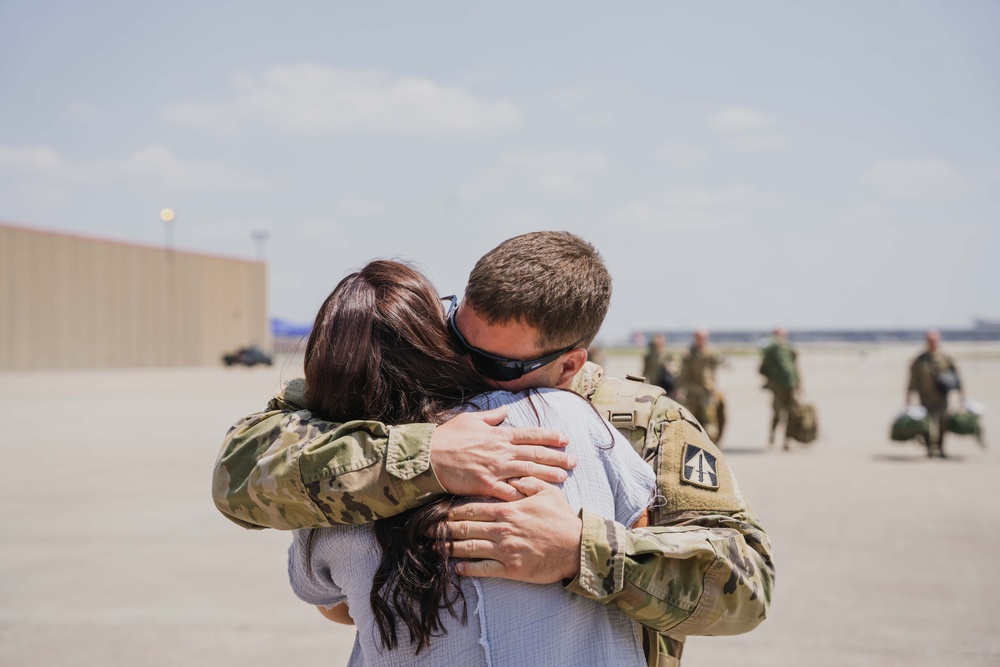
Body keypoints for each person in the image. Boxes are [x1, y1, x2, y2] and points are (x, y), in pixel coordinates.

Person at [213, 231, 775, 667]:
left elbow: (746, 588)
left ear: (569, 363)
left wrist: (583, 549)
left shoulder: (640, 423)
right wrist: (424, 456)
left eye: (498, 366)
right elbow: (242, 470)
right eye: (456, 334)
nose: (461, 366)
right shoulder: (422, 368)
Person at [288, 260, 656, 665]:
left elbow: (336, 607)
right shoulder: (566, 417)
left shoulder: (330, 480)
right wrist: (573, 552)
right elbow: (642, 534)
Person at [907, 330, 964, 458]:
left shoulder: (946, 358)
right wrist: (908, 395)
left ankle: (941, 447)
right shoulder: (920, 360)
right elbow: (912, 379)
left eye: (934, 341)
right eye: (930, 341)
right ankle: (929, 448)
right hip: (925, 397)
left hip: (941, 397)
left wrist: (962, 392)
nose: (932, 343)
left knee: (943, 423)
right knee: (925, 425)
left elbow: (956, 376)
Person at [675, 329, 725, 442]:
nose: (701, 340)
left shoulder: (711, 352)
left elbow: (718, 365)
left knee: (709, 419)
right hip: (691, 392)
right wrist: (679, 388)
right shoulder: (688, 353)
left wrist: (713, 385)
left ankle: (712, 444)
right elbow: (681, 372)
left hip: (706, 391)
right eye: (698, 337)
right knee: (690, 419)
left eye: (703, 337)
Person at [759, 327, 800, 450]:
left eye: (782, 335)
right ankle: (772, 436)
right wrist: (772, 380)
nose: (780, 338)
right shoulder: (771, 352)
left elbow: (795, 368)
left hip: (791, 387)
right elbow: (762, 369)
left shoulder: (790, 350)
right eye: (778, 335)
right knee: (777, 414)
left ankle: (787, 440)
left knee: (791, 413)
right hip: (777, 388)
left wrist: (799, 385)